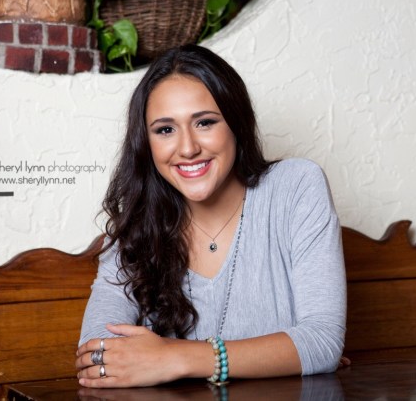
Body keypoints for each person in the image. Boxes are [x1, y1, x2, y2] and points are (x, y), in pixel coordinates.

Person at [75, 44, 347, 388]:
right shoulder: (137, 224)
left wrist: (172, 357)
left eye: (204, 122)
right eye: (165, 129)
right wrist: (279, 354)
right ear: (146, 143)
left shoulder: (295, 187)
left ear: (236, 123)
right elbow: (97, 355)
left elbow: (321, 343)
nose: (188, 148)